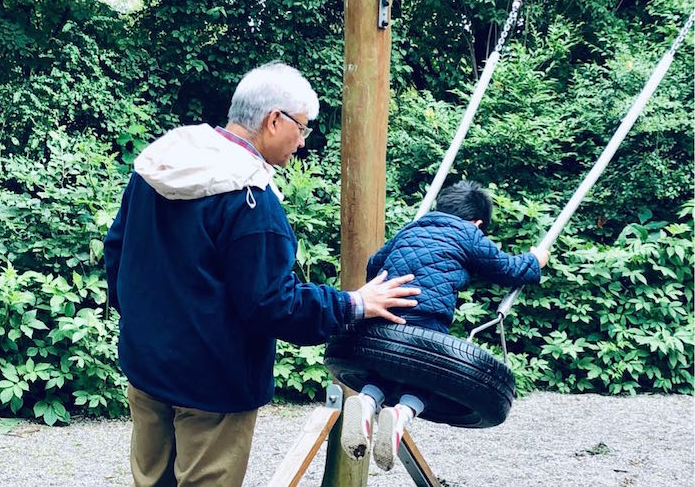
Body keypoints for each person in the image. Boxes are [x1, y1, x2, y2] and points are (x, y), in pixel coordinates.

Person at [103, 61, 421, 487]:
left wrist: (143, 326)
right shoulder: (249, 197)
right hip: (213, 388)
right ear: (274, 120)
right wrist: (355, 304)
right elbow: (272, 303)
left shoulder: (158, 165)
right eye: (303, 128)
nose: (303, 142)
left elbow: (117, 251)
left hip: (146, 370)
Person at [340, 180, 550, 471]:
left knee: (383, 369)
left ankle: (366, 401)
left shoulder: (411, 228)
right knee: (430, 376)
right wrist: (535, 261)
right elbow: (507, 270)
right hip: (427, 320)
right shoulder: (469, 234)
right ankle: (402, 414)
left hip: (382, 319)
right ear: (477, 223)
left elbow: (376, 263)